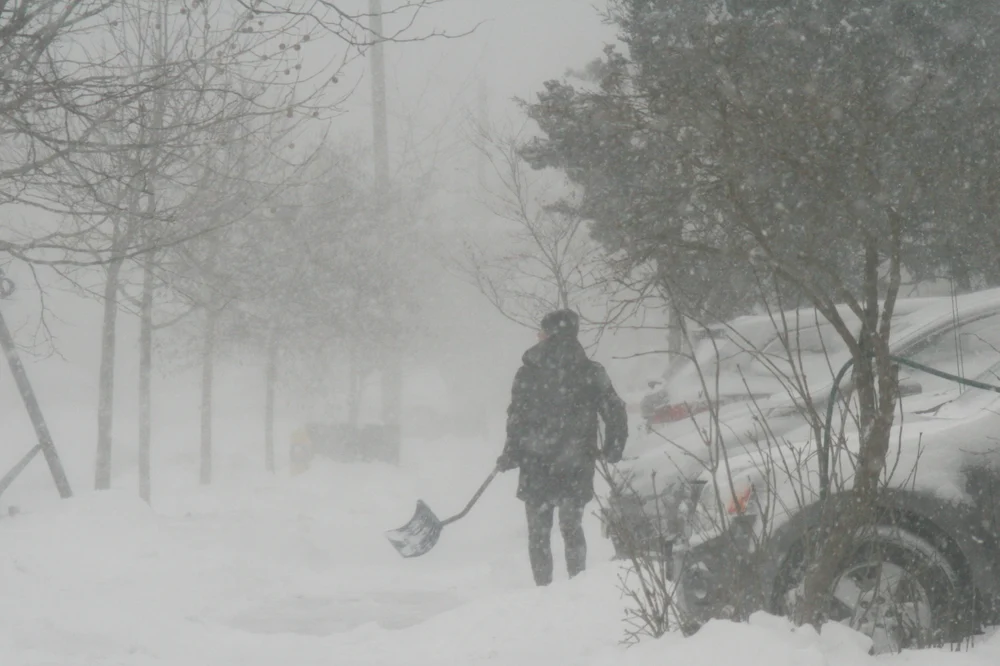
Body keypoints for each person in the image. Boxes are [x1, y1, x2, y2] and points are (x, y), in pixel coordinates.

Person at [496, 309, 629, 586]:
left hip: (536, 462)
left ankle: (543, 589)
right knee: (572, 528)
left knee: (539, 534)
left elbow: (517, 418)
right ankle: (576, 586)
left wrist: (512, 452)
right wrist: (613, 446)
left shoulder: (529, 373)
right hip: (576, 462)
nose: (538, 335)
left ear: (551, 334)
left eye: (541, 331)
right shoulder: (591, 372)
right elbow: (614, 409)